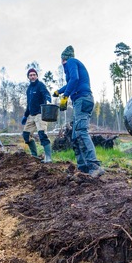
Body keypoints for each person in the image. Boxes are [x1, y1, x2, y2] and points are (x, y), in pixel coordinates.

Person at [56, 45, 104, 177]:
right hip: (82, 100)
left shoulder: (71, 61)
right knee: (75, 136)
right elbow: (72, 81)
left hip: (82, 100)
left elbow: (75, 79)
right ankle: (83, 168)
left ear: (63, 59)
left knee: (81, 131)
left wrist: (65, 96)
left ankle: (95, 166)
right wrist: (59, 91)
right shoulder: (74, 64)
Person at [22, 68, 53, 162]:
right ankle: (34, 156)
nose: (32, 76)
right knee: (26, 135)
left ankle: (48, 158)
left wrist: (48, 97)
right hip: (31, 115)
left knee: (42, 134)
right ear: (28, 77)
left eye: (34, 74)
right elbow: (29, 104)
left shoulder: (40, 85)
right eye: (30, 75)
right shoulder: (29, 89)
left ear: (37, 76)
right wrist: (25, 115)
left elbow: (45, 93)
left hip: (40, 114)